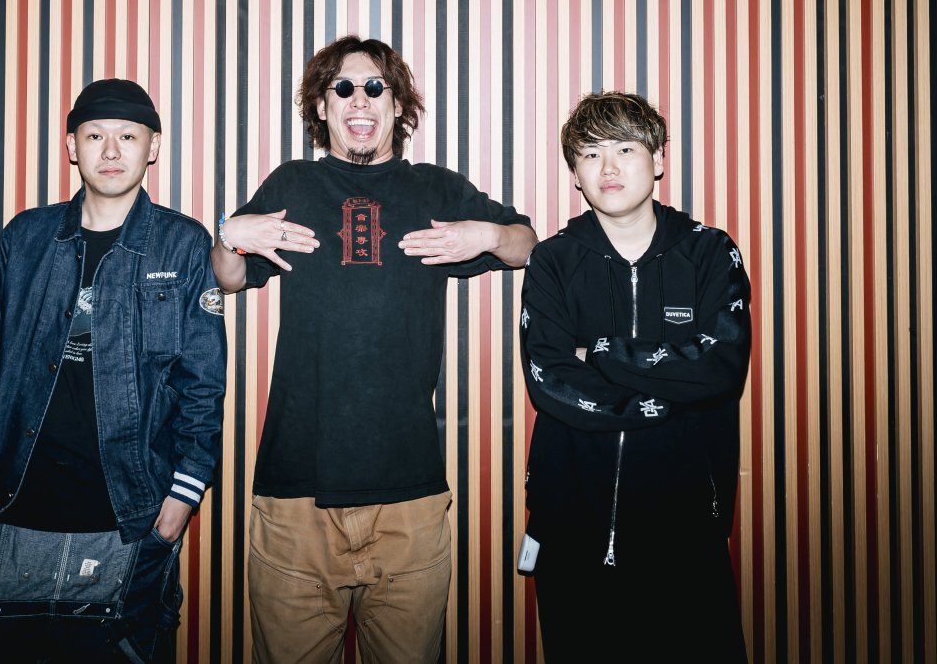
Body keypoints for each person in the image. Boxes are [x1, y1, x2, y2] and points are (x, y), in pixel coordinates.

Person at [214, 36, 536, 664]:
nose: (359, 101)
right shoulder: (293, 183)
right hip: (296, 494)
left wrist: (488, 234)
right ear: (322, 106)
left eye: (374, 88)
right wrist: (230, 235)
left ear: (397, 105)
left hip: (408, 498)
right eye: (342, 88)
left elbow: (527, 245)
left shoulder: (435, 189)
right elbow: (229, 278)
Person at [0, 79, 228, 663]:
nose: (111, 151)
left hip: (129, 515)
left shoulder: (182, 245)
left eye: (128, 137)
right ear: (72, 146)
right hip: (16, 505)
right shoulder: (26, 237)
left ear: (153, 147)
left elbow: (203, 383)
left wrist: (182, 498)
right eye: (95, 136)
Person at [519, 91, 751, 662]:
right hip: (571, 526)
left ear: (658, 159)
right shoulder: (552, 260)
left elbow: (720, 366)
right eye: (591, 153)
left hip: (686, 527)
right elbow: (550, 379)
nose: (609, 167)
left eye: (624, 148)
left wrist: (602, 352)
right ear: (575, 174)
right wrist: (669, 394)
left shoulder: (709, 252)